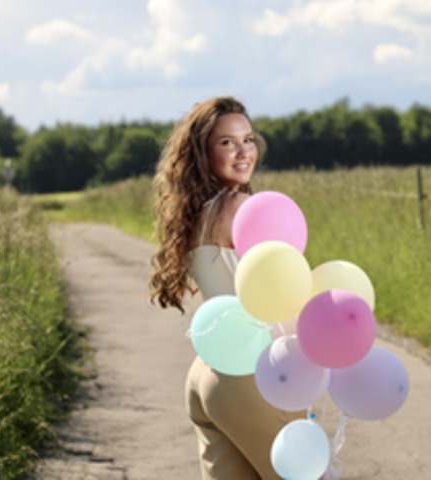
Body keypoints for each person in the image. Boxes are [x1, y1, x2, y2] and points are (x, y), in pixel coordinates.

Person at [150, 97, 304, 479]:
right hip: (250, 374)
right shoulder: (239, 207)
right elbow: (285, 294)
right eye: (226, 142)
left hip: (208, 376)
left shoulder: (198, 213)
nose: (242, 152)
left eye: (248, 140)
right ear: (203, 153)